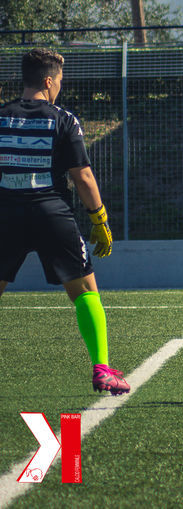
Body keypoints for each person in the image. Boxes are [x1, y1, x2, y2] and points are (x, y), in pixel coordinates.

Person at [0, 48, 130, 395]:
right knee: (85, 292)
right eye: (58, 81)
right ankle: (102, 370)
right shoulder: (63, 119)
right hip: (50, 212)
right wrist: (99, 219)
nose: (59, 87)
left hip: (6, 213)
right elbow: (83, 176)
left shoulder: (1, 117)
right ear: (47, 81)